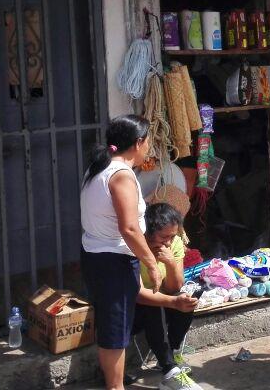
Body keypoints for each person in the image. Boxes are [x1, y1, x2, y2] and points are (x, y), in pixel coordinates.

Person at [80, 115, 163, 390]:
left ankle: (113, 384)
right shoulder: (120, 175)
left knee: (111, 327)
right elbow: (128, 228)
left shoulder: (98, 168)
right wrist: (150, 262)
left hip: (97, 256)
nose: (149, 147)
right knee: (115, 331)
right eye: (148, 141)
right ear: (138, 143)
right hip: (113, 261)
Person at [133, 203, 201, 390]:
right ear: (148, 232)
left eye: (173, 236)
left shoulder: (175, 243)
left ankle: (171, 353)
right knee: (154, 301)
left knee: (186, 297)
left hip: (163, 301)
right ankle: (169, 369)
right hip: (134, 309)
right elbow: (138, 293)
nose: (169, 242)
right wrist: (171, 301)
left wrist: (170, 262)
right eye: (164, 237)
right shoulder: (133, 245)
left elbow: (174, 287)